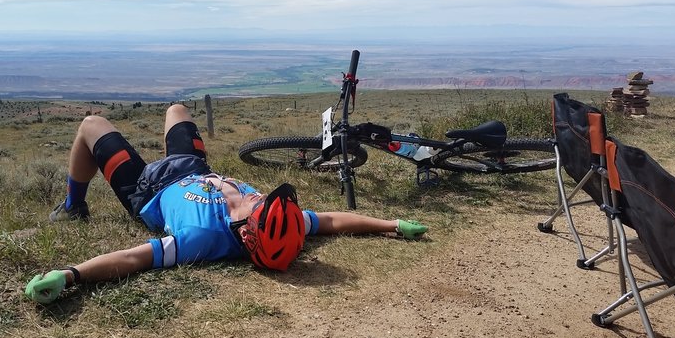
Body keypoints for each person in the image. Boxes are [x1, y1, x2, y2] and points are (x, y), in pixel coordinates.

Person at [25, 104, 428, 304]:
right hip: (195, 167)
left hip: (147, 187)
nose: (263, 196)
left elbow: (133, 259)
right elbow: (332, 221)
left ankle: (72, 205)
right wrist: (391, 224)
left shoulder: (201, 238)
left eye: (259, 204)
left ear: (245, 230)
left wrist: (71, 275)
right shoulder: (282, 223)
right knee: (177, 109)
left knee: (91, 124)